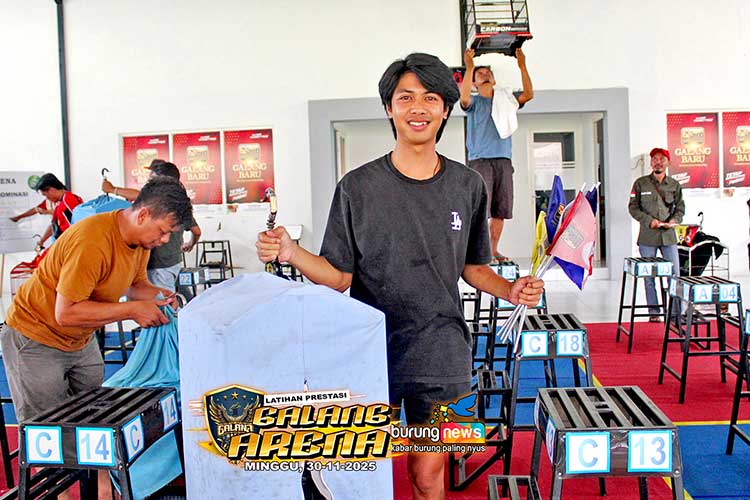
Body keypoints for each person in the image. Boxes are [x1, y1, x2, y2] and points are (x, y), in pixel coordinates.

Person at [256, 53, 544, 500]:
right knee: (359, 470)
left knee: (428, 472)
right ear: (389, 108)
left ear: (445, 109)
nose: (418, 108)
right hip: (370, 350)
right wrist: (292, 252)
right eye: (405, 97)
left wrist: (510, 289)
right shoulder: (357, 188)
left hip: (441, 352)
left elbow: (472, 266)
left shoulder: (468, 185)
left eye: (430, 98)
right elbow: (338, 276)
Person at [1, 176, 193, 499]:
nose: (163, 240)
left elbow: (136, 286)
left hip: (80, 338)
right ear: (143, 214)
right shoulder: (92, 240)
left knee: (99, 422)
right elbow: (66, 312)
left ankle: (106, 492)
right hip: (35, 337)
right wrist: (132, 310)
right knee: (48, 436)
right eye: (162, 232)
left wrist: (161, 297)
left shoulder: (138, 244)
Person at [460, 48, 534, 262]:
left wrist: (522, 65)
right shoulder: (474, 103)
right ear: (474, 83)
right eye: (480, 74)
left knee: (500, 210)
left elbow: (528, 94)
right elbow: (464, 97)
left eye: (488, 73)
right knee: (481, 209)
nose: (485, 75)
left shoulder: (505, 100)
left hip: (503, 160)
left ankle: (493, 251)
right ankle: (480, 252)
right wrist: (470, 67)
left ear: (494, 79)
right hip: (480, 161)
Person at [103, 160, 201, 291]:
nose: (164, 239)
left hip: (160, 265)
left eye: (152, 179)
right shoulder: (179, 206)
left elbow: (140, 196)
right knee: (165, 295)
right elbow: (197, 231)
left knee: (163, 299)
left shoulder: (160, 203)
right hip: (171, 262)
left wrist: (113, 189)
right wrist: (191, 244)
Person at [628, 147, 685, 322]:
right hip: (648, 237)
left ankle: (675, 313)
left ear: (668, 163)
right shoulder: (641, 183)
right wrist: (648, 221)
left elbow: (680, 208)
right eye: (655, 159)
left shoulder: (674, 185)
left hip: (668, 237)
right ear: (651, 162)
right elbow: (633, 207)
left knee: (674, 275)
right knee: (649, 276)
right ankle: (654, 312)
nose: (658, 162)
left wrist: (674, 221)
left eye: (661, 159)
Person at [9, 173, 83, 248]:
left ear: (51, 190)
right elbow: (53, 225)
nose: (47, 198)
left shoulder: (68, 200)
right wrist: (42, 241)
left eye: (45, 195)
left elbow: (76, 227)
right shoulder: (61, 203)